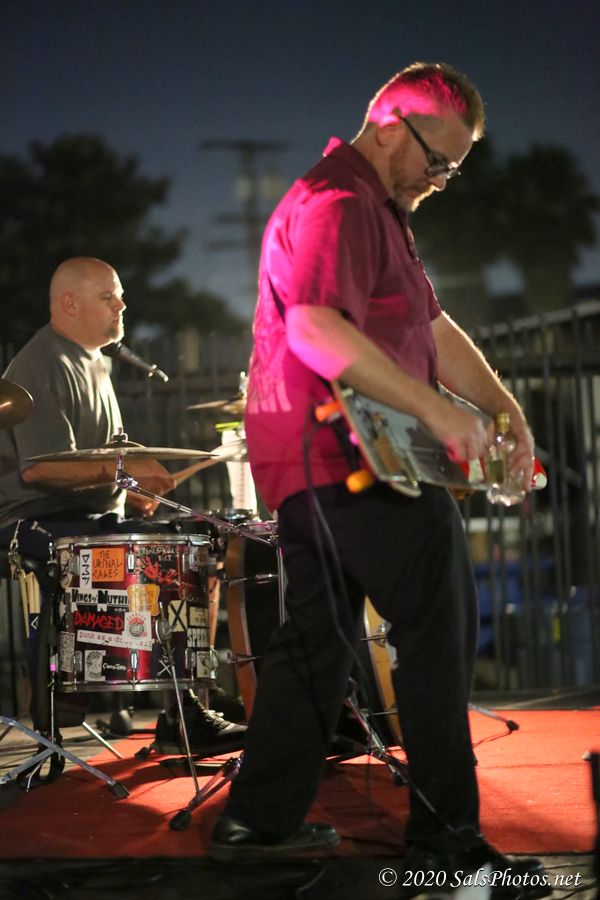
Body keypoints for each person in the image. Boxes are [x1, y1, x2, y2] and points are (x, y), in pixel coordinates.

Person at [208, 62, 548, 892]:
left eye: (454, 169)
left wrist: (503, 407)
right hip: (341, 456)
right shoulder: (340, 201)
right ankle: (447, 841)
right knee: (435, 609)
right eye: (439, 161)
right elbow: (316, 331)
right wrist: (442, 415)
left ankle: (257, 822)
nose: (442, 180)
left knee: (316, 641)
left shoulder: (381, 210)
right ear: (393, 125)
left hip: (320, 462)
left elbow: (433, 326)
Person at [0, 256, 246, 749]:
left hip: (88, 515)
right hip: (33, 520)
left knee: (198, 546)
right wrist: (121, 474)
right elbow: (39, 470)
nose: (121, 305)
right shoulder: (39, 363)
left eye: (120, 296)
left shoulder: (96, 361)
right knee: (159, 556)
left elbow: (100, 456)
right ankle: (179, 713)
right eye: (108, 296)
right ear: (70, 304)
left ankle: (192, 700)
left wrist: (131, 492)